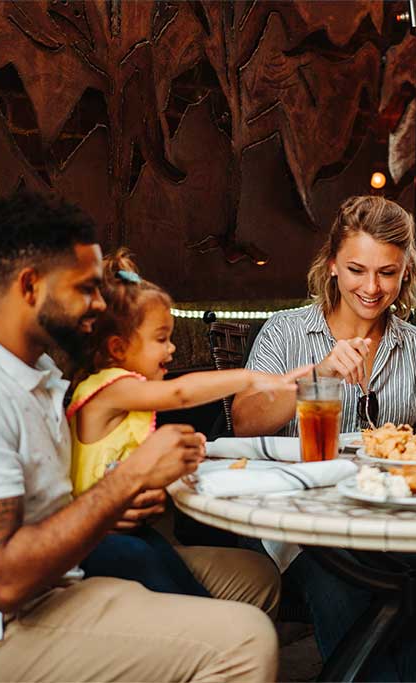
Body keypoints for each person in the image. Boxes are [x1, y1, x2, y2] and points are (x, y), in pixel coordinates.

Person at [0, 190, 280, 682]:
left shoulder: (34, 369)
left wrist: (113, 506)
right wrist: (127, 481)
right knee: (246, 641)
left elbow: (55, 506)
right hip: (2, 634)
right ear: (30, 286)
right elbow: (4, 581)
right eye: (86, 289)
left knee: (256, 580)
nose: (99, 305)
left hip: (62, 580)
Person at [231, 195, 416, 681]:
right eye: (356, 269)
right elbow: (244, 420)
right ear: (331, 265)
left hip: (392, 517)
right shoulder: (285, 333)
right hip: (305, 525)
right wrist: (317, 375)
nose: (372, 288)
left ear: (405, 273)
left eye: (387, 273)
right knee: (344, 586)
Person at [70, 247, 308, 596]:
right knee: (167, 578)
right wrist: (250, 379)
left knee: (176, 573)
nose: (172, 350)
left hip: (125, 530)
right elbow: (180, 394)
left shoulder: (129, 398)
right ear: (119, 348)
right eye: (161, 339)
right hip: (94, 541)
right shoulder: (108, 390)